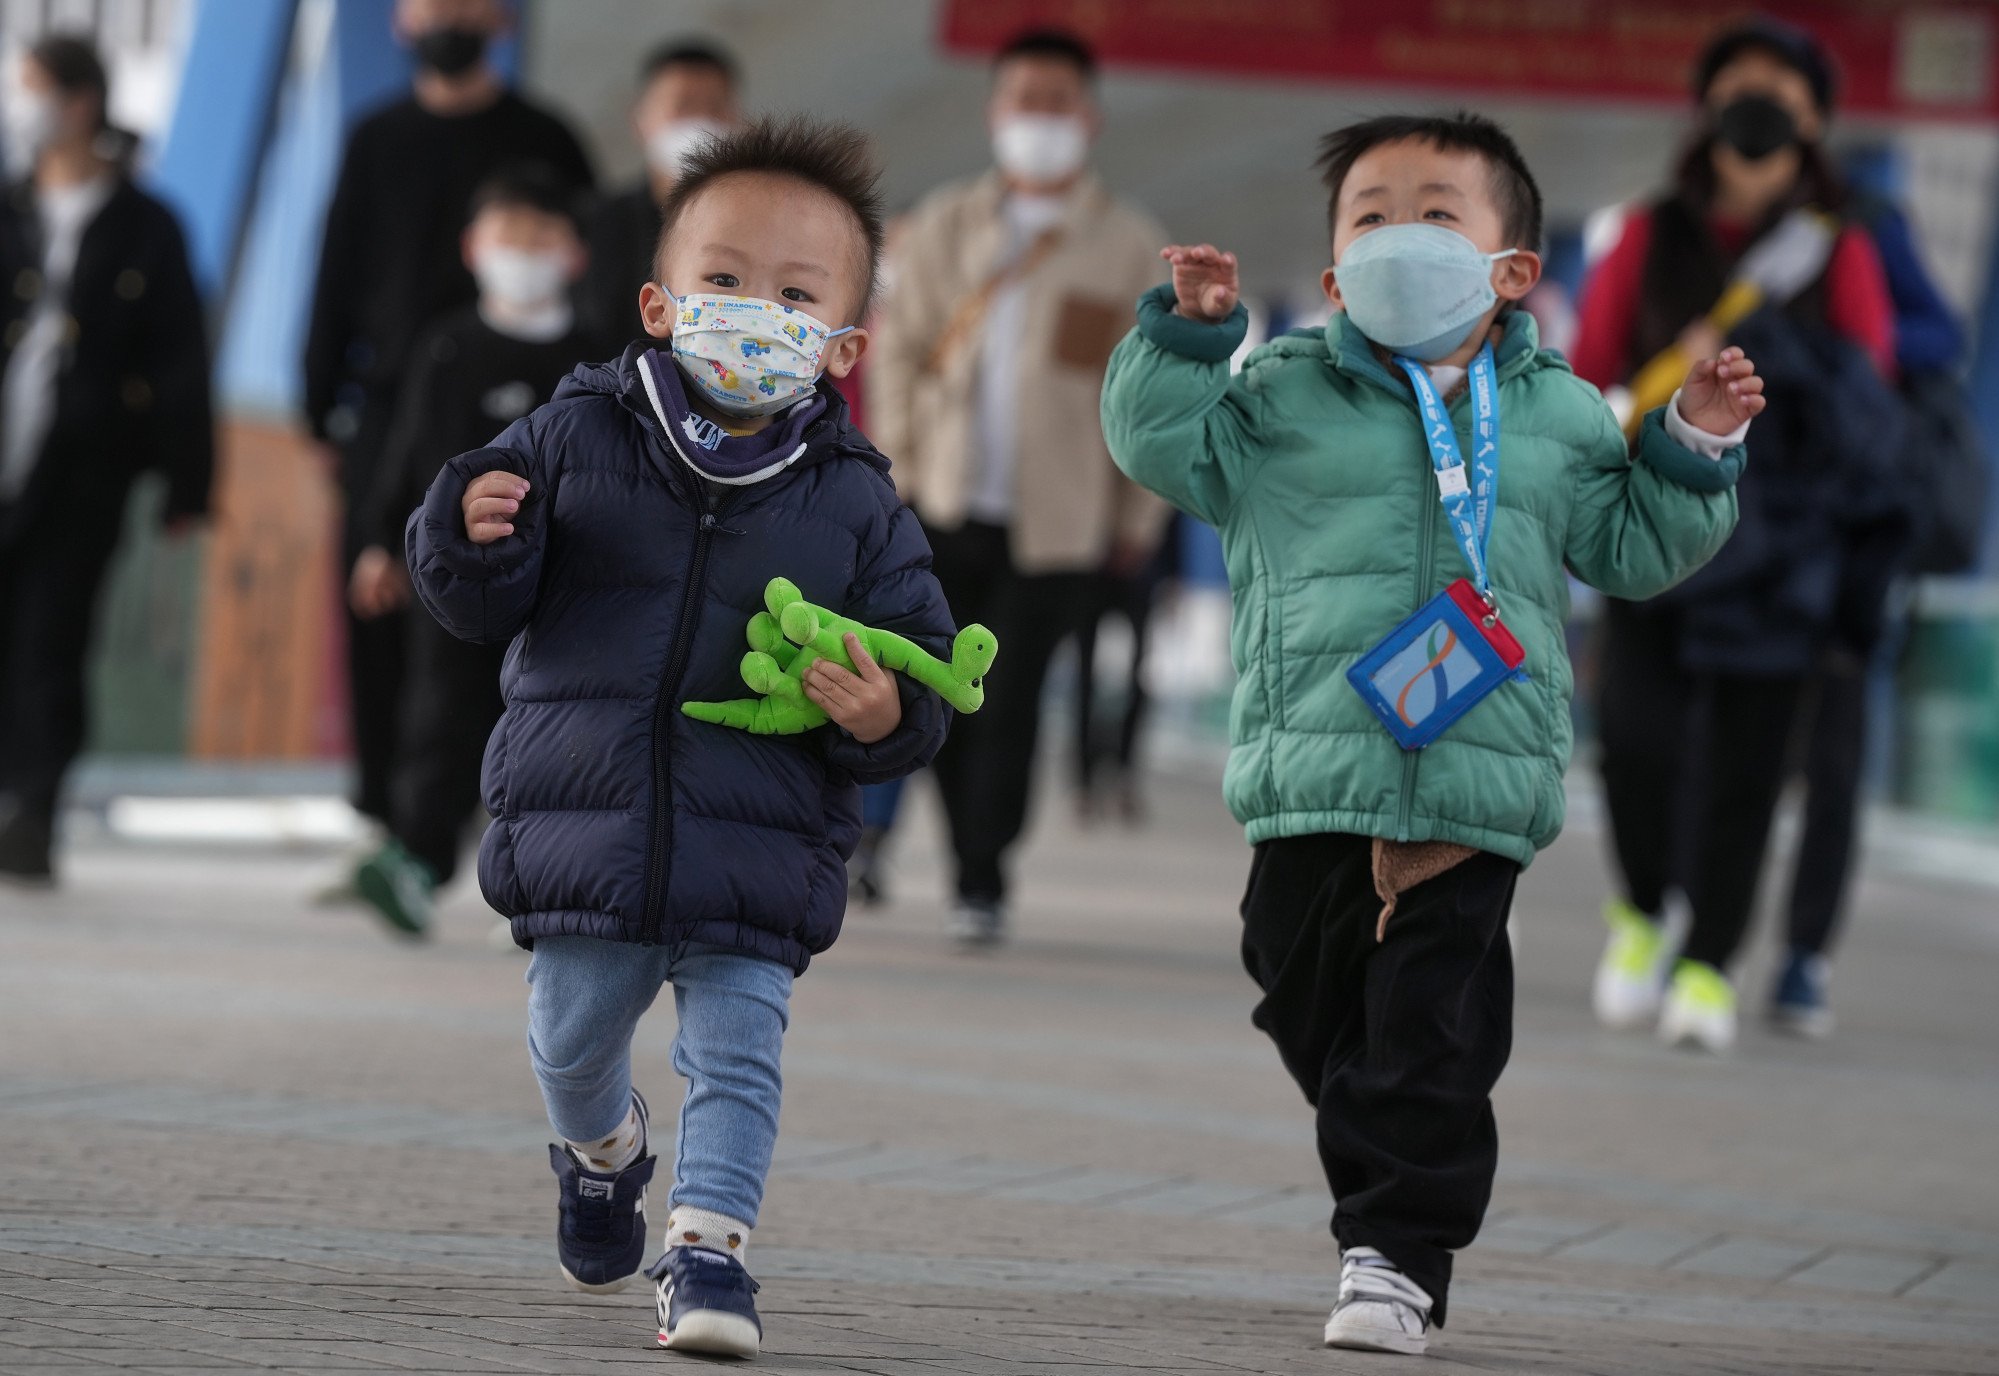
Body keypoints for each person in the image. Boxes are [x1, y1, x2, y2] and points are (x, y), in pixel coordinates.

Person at [1101, 113, 1758, 1355]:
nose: (1403, 231)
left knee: (1434, 1028)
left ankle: (1398, 1251)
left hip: (1475, 773)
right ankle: (1383, 1137)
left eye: (1438, 211)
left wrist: (1694, 450)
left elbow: (1627, 550)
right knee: (1296, 982)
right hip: (1312, 761)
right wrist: (1185, 339)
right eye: (1371, 213)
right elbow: (1159, 445)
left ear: (1511, 270)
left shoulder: (1559, 414)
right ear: (1336, 270)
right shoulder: (1283, 387)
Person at [404, 118, 955, 1358]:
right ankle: (601, 1153)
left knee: (737, 1052)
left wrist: (886, 716)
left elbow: (919, 662)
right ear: (659, 303)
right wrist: (466, 527)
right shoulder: (569, 437)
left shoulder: (857, 500)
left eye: (794, 293)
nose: (753, 310)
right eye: (723, 280)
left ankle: (709, 1254)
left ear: (843, 343)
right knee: (567, 1040)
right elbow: (474, 599)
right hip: (586, 829)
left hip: (760, 838)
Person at [1573, 18, 1902, 1051]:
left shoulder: (1840, 246)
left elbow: (1870, 391)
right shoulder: (1647, 230)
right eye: (1738, 86)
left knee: (1752, 766)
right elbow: (1588, 368)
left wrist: (1773, 358)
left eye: (1780, 92)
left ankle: (1710, 962)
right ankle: (1640, 907)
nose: (1756, 106)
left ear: (1812, 122)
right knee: (1633, 739)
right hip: (1655, 520)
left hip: (1782, 548)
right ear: (1706, 105)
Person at [869, 26, 1169, 943]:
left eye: (1055, 102)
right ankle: (970, 855)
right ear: (995, 113)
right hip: (943, 503)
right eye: (1021, 100)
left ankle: (982, 872)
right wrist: (900, 474)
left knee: (1008, 703)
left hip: (1060, 522)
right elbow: (899, 359)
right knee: (941, 699)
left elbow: (1145, 393)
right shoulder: (949, 223)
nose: (1037, 119)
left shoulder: (1127, 245)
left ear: (1089, 117)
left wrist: (1138, 513)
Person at [304, 0, 591, 843]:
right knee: (377, 596)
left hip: (527, 394)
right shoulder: (373, 136)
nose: (448, 17)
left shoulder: (547, 136)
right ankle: (381, 809)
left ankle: (479, 808)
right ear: (400, 20)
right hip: (394, 399)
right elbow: (334, 274)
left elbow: (599, 257)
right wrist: (318, 404)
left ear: (499, 21)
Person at [343, 167, 592, 937]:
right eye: (508, 236)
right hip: (449, 578)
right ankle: (416, 863)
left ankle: (537, 879)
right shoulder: (445, 344)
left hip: (562, 585)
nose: (523, 251)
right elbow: (406, 454)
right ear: (472, 248)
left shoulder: (594, 360)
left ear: (574, 254)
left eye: (541, 236)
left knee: (549, 730)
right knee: (439, 716)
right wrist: (382, 542)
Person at [0, 34, 212, 882]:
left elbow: (179, 360)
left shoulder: (147, 226)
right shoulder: (8, 207)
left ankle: (33, 808)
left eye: (36, 89)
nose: (25, 106)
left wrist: (186, 484)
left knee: (53, 635)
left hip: (85, 470)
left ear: (82, 100)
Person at [577, 39, 740, 352]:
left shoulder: (760, 226)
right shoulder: (597, 222)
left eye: (716, 108)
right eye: (683, 106)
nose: (702, 121)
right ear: (640, 120)